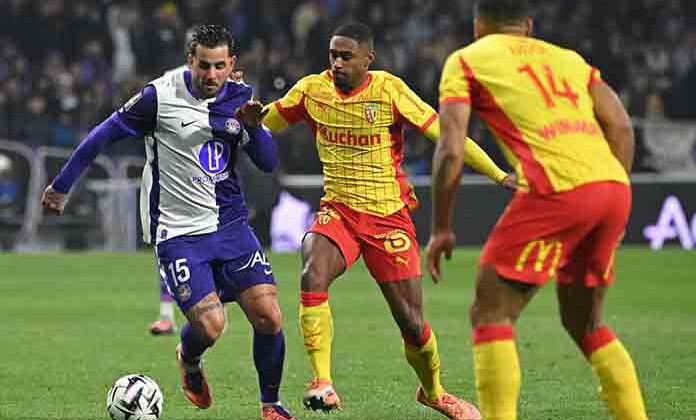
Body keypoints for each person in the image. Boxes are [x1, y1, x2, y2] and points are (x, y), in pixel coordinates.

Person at [41, 25, 297, 420]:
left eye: (220, 66)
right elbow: (102, 136)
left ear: (232, 63)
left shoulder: (240, 96)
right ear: (190, 60)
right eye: (204, 65)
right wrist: (61, 186)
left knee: (269, 315)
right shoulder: (158, 97)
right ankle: (189, 359)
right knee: (211, 326)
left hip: (230, 225)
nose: (212, 75)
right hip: (178, 232)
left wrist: (252, 126)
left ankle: (271, 405)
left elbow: (267, 162)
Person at [263, 22, 513, 420]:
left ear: (368, 59)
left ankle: (434, 393)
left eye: (347, 56)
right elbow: (264, 123)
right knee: (312, 272)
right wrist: (241, 118)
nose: (337, 63)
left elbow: (448, 137)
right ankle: (322, 381)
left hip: (388, 218)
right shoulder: (311, 90)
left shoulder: (389, 90)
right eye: (333, 55)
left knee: (412, 323)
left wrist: (499, 175)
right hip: (339, 211)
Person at [427, 1, 648, 419]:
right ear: (527, 26)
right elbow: (620, 125)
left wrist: (441, 227)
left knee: (491, 312)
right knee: (586, 323)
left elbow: (451, 149)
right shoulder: (569, 59)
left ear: (478, 26)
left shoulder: (467, 60)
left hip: (554, 189)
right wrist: (609, 195)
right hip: (613, 186)